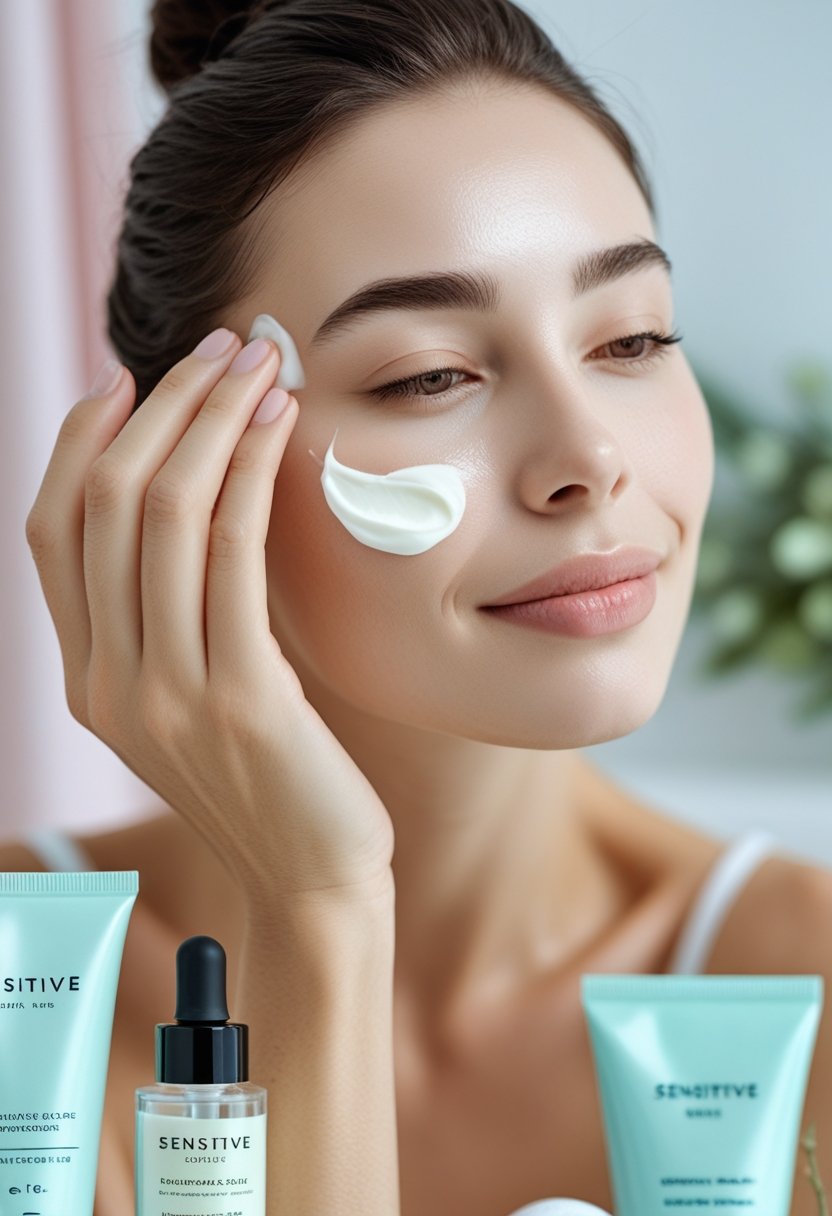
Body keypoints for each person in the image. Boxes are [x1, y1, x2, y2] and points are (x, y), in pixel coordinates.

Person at [16, 1, 832, 1213]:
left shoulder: (800, 984)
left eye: (630, 339)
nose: (588, 459)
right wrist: (315, 910)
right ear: (178, 465)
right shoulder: (28, 1011)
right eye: (429, 374)